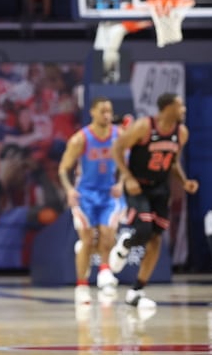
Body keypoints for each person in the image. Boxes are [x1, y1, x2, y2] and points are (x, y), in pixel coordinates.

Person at [109, 93, 199, 307]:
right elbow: (117, 148)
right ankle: (125, 245)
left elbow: (174, 162)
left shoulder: (181, 133)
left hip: (160, 188)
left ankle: (137, 291)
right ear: (167, 107)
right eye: (180, 105)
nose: (183, 109)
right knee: (144, 229)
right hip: (138, 185)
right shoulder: (144, 126)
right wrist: (127, 178)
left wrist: (184, 181)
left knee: (156, 239)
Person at [58, 97, 123, 304]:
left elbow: (126, 164)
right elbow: (63, 168)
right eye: (103, 111)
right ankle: (82, 286)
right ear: (92, 112)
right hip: (85, 194)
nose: (107, 115)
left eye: (109, 111)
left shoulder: (118, 136)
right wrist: (69, 190)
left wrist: (121, 183)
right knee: (87, 240)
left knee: (107, 234)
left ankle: (104, 271)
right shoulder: (81, 139)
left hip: (107, 194)